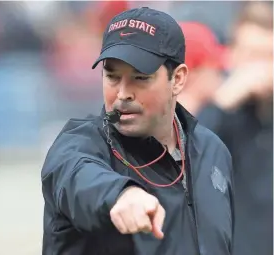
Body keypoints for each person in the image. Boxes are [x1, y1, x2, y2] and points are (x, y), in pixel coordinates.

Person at [41, 7, 234, 255]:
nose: (123, 93)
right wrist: (122, 194)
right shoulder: (77, 144)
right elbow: (78, 174)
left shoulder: (213, 150)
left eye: (140, 77)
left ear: (177, 79)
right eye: (112, 77)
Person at [197, 2, 273, 255]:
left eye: (268, 55)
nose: (260, 68)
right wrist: (224, 100)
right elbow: (186, 161)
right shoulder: (219, 112)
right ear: (231, 54)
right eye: (252, 54)